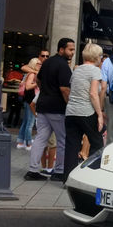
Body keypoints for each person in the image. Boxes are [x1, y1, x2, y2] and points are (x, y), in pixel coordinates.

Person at [24, 37, 74, 181]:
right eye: (70, 49)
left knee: (40, 138)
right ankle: (59, 171)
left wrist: (45, 91)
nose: (72, 52)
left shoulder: (47, 63)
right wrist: (69, 106)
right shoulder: (64, 66)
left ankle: (32, 170)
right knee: (63, 140)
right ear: (61, 49)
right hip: (57, 108)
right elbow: (65, 90)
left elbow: (38, 80)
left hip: (43, 105)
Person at [63, 42, 104, 180]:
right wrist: (99, 114)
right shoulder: (95, 71)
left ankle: (68, 178)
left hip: (71, 112)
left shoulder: (77, 70)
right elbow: (93, 94)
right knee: (97, 142)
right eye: (101, 55)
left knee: (71, 145)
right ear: (97, 57)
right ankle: (90, 175)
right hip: (86, 111)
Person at [16, 57, 41, 150]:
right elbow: (28, 87)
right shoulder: (32, 74)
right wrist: (37, 83)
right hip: (31, 100)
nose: (40, 65)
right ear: (34, 64)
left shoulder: (31, 73)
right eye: (38, 64)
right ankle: (28, 143)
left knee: (26, 121)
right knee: (30, 123)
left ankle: (20, 141)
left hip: (28, 100)